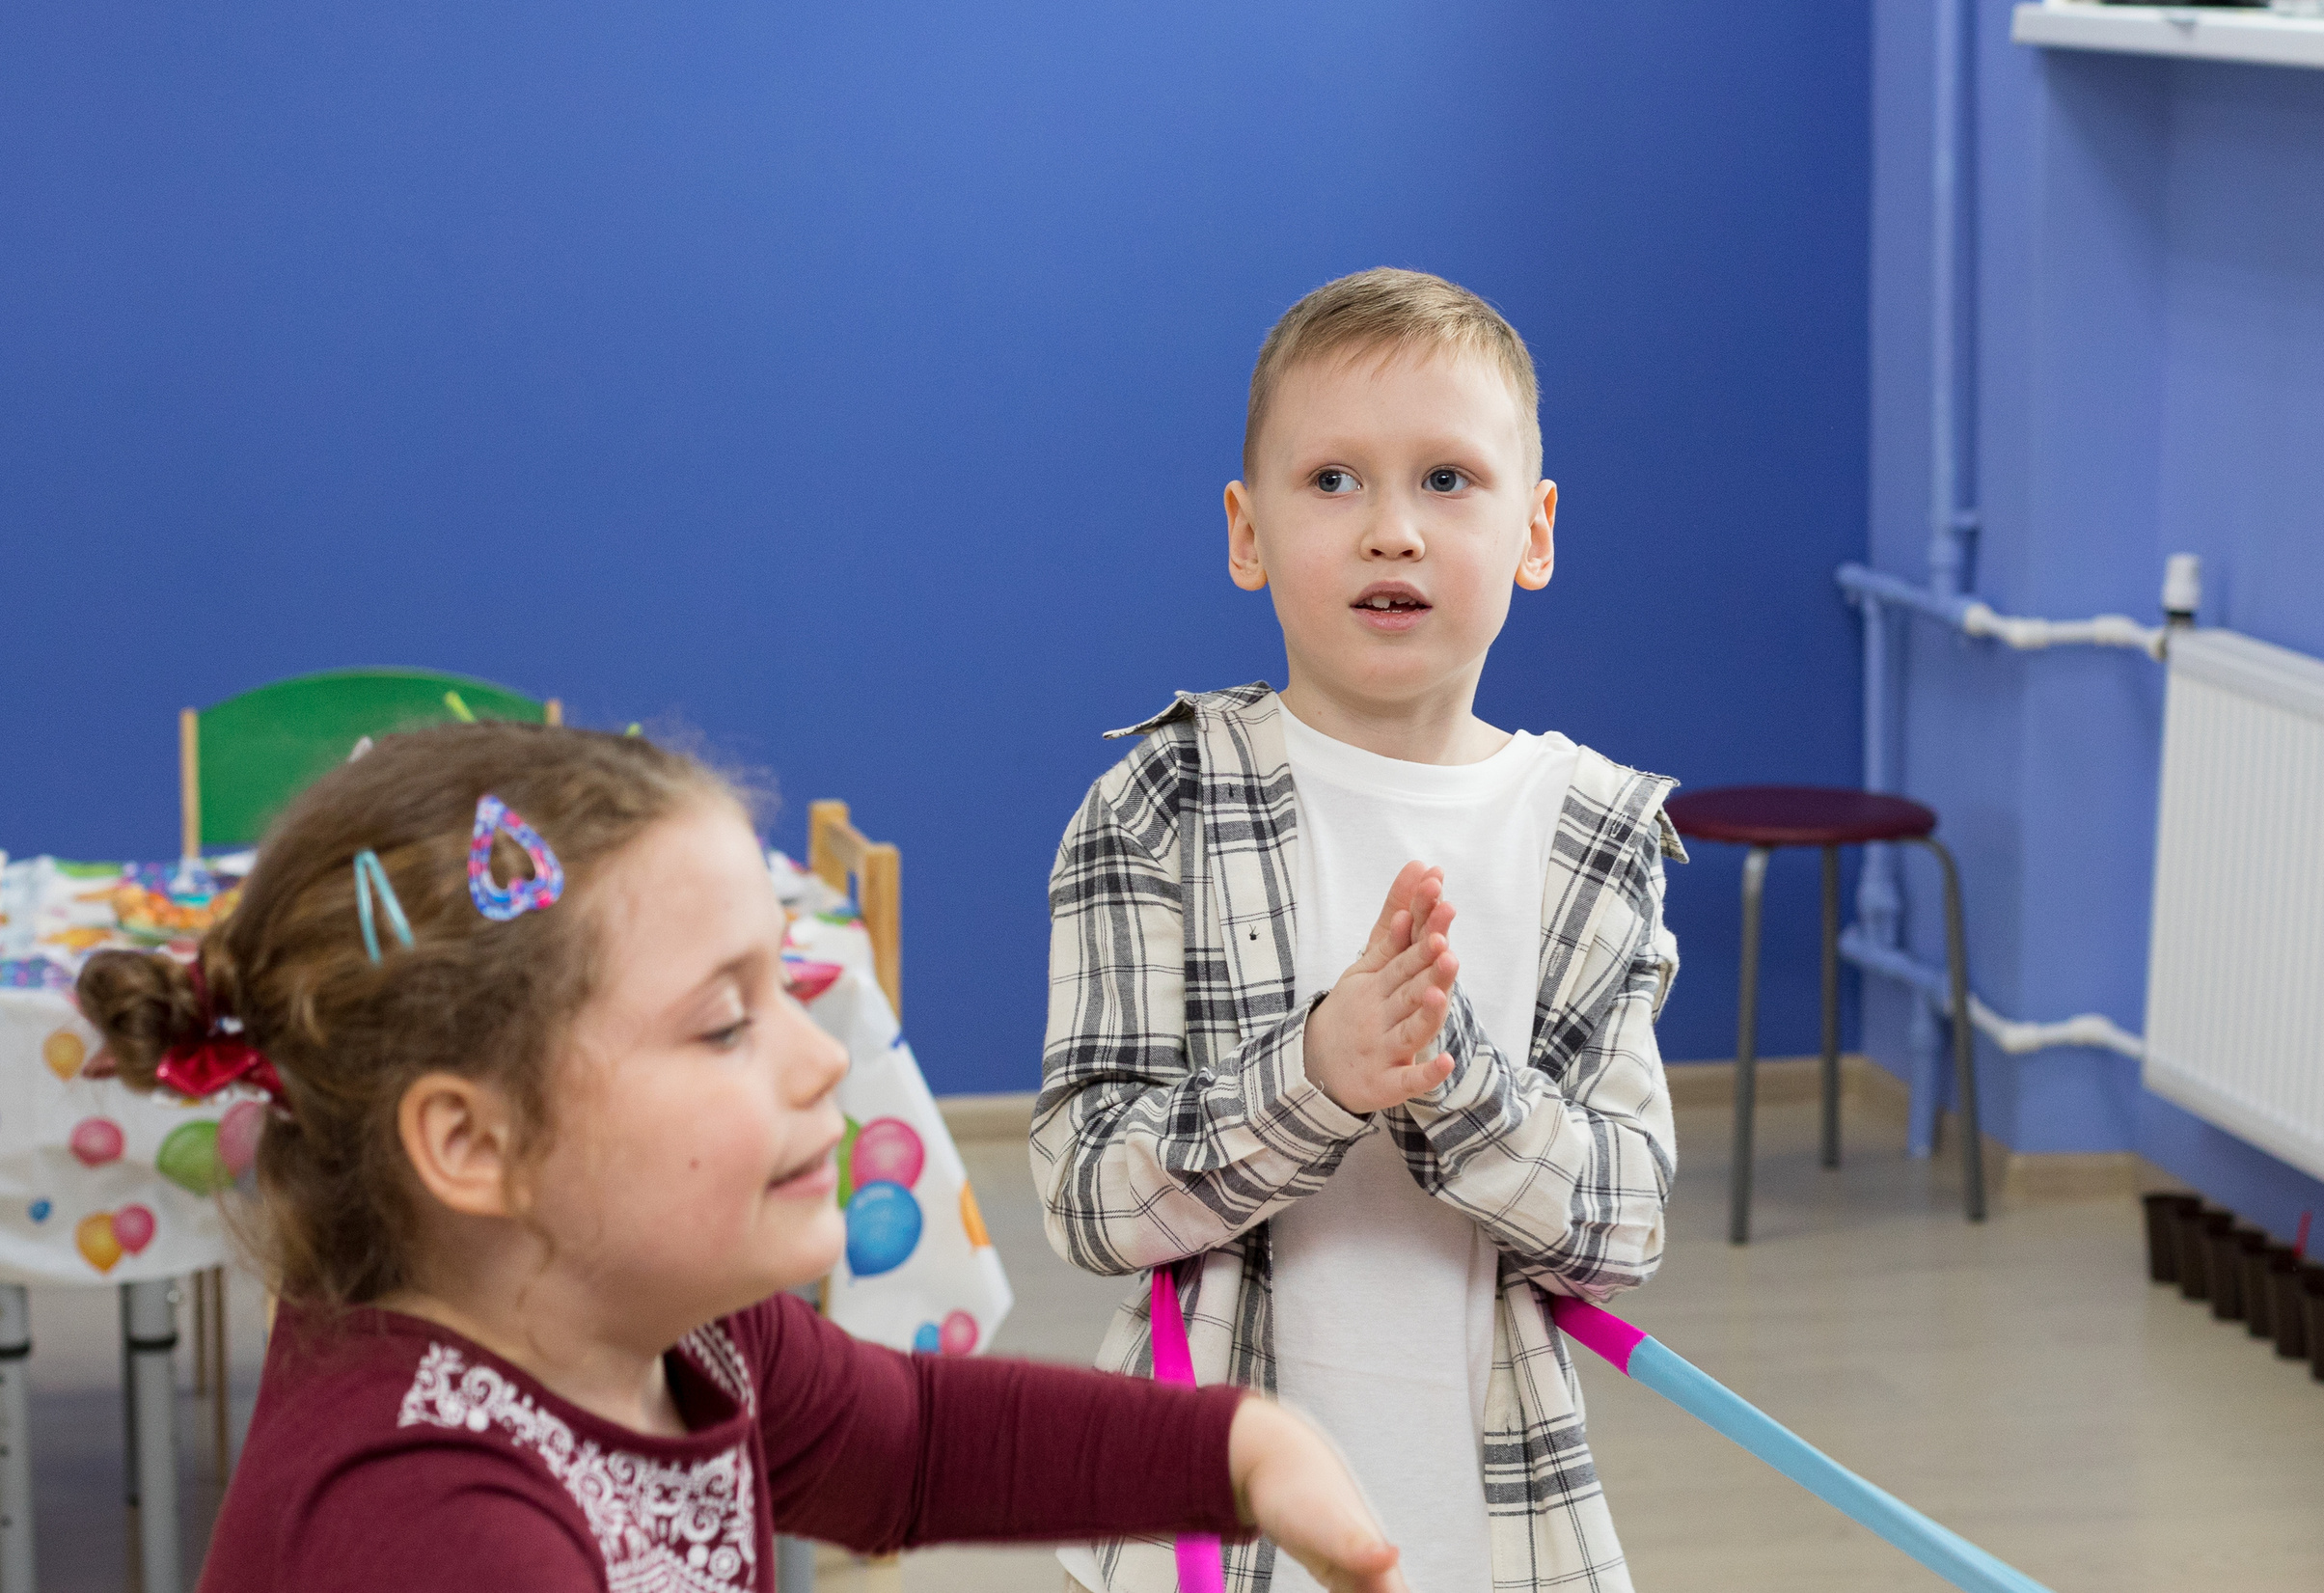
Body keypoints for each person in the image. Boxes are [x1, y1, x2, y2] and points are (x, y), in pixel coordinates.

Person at [76, 722, 1409, 1592]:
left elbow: (918, 1442)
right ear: (474, 1144)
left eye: (790, 991)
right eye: (724, 1023)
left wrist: (1242, 1445)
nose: (821, 1058)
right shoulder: (429, 1526)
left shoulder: (681, 1337)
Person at [1036, 268, 1684, 1593]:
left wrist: (1457, 1091)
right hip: (1197, 1532)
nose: (1392, 530)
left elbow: (1625, 1230)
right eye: (1333, 480)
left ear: (1535, 532)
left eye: (1448, 480)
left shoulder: (1596, 836)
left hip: (1503, 1538)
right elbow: (1087, 1194)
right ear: (1247, 531)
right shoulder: (1159, 803)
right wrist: (1317, 1077)